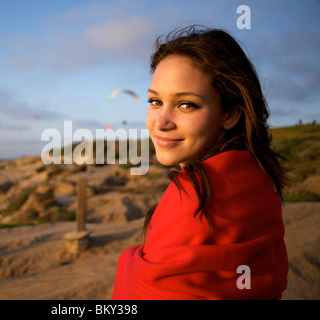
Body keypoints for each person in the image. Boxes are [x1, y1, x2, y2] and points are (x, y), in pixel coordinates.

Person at [112, 26, 289, 300]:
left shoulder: (193, 195)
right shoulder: (258, 178)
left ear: (230, 114)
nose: (161, 122)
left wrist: (130, 260)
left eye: (186, 105)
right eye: (155, 101)